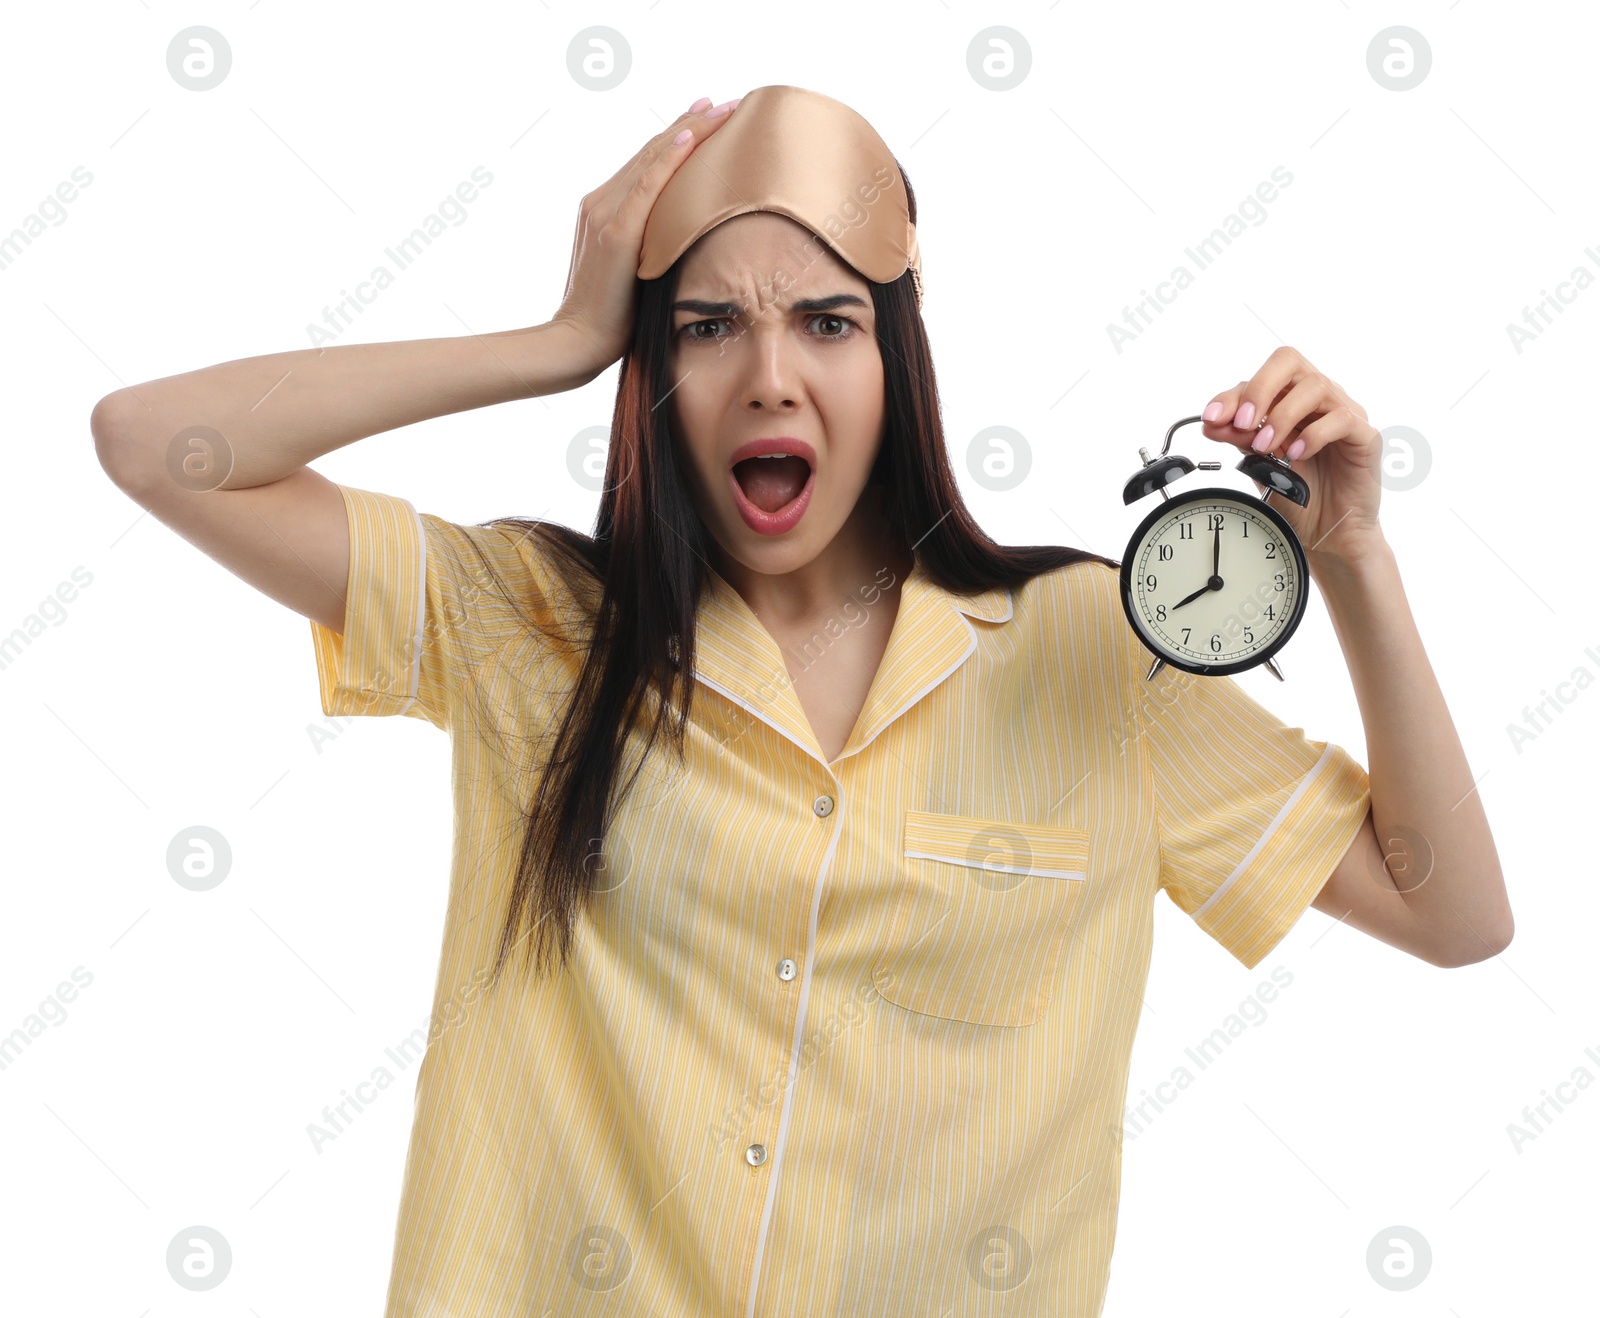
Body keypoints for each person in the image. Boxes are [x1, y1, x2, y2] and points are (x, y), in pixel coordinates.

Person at [92, 84, 1511, 1318]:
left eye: (828, 320)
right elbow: (157, 446)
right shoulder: (533, 629)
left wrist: (1356, 561)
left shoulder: (1088, 654)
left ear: (896, 359)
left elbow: (1451, 912)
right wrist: (553, 339)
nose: (770, 376)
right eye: (708, 327)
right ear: (657, 374)